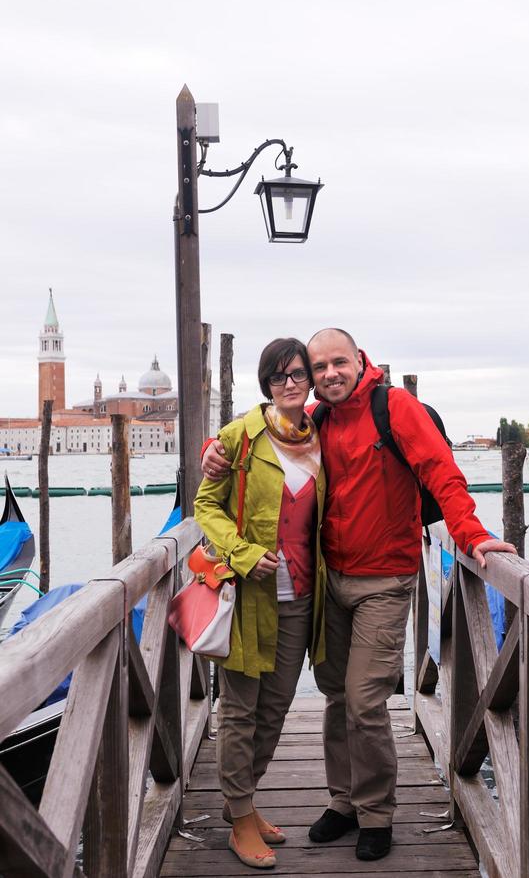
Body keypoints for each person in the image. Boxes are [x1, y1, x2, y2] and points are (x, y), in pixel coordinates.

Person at [202, 328, 516, 862]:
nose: (324, 375)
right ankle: (341, 802)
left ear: (359, 361)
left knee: (365, 700)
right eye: (313, 367)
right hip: (322, 584)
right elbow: (228, 476)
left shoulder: (393, 407)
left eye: (332, 364)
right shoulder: (307, 423)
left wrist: (471, 533)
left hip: (382, 581)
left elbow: (441, 472)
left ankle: (375, 813)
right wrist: (214, 449)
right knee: (334, 696)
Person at [194, 337, 327, 870]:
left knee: (274, 709)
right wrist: (245, 553)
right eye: (277, 377)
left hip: (301, 597)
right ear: (265, 385)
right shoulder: (238, 437)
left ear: (309, 380)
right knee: (240, 713)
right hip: (247, 594)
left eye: (296, 374)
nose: (289, 383)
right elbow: (205, 503)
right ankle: (241, 815)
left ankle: (241, 803)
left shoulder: (322, 435)